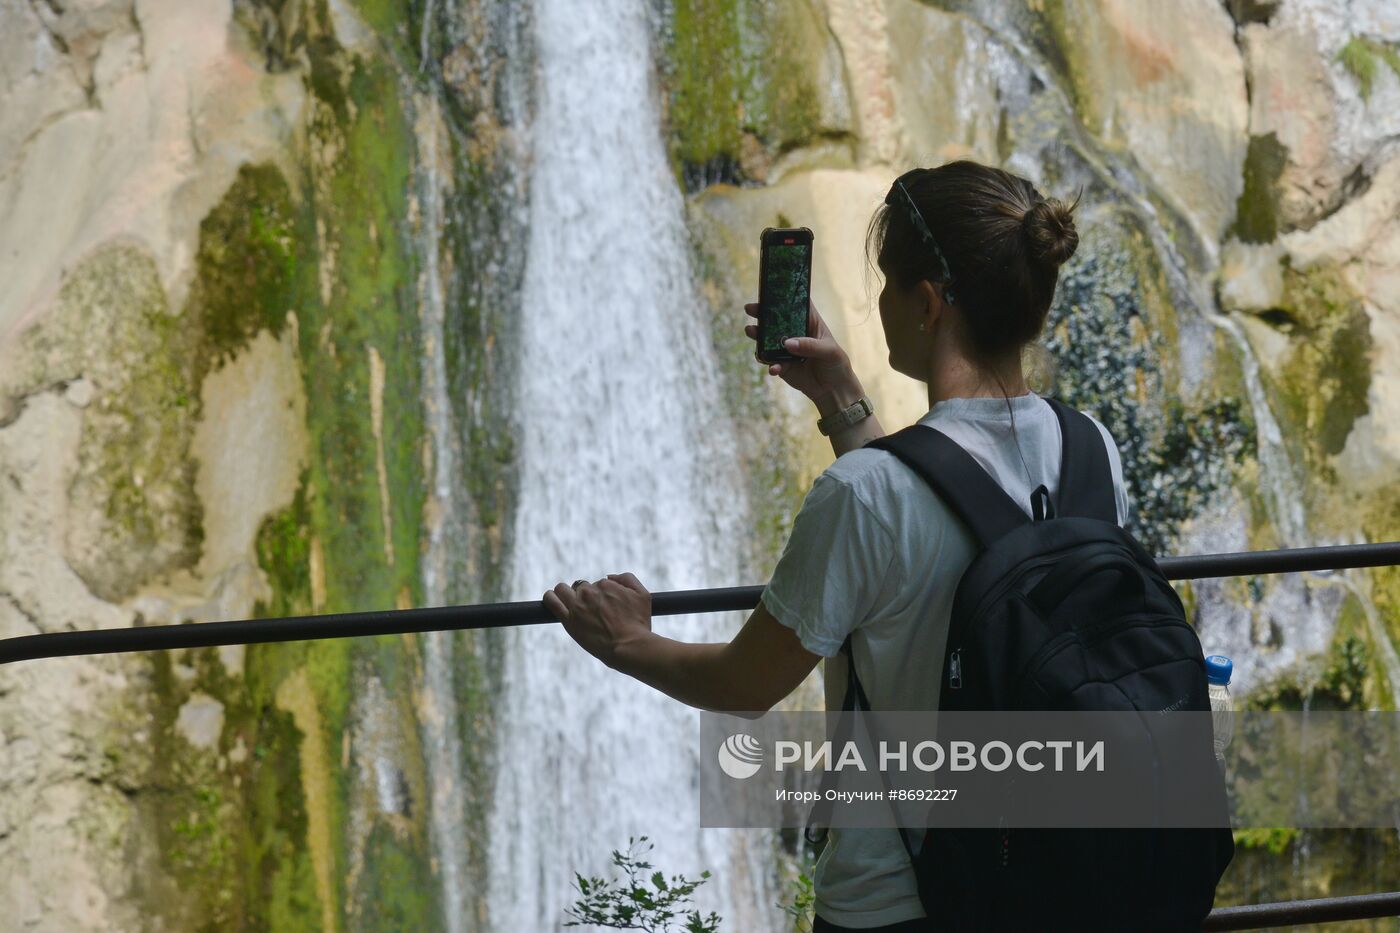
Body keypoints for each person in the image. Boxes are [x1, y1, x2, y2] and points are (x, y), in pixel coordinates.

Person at [543, 160, 1130, 930]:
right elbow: (954, 517)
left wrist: (626, 640)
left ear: (926, 305)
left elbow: (745, 686)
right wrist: (843, 404)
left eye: (887, 284)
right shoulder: (1093, 452)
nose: (879, 303)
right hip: (1059, 886)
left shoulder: (864, 497)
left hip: (901, 903)